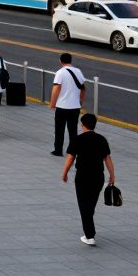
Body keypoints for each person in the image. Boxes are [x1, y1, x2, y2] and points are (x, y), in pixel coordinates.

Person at [62, 113, 116, 246]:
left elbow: (71, 157)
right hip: (98, 177)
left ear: (82, 125)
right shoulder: (101, 139)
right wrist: (112, 175)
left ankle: (90, 235)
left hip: (82, 176)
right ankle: (89, 226)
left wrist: (65, 172)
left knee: (83, 204)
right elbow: (107, 158)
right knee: (90, 204)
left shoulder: (78, 139)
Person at [50, 52, 86, 157]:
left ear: (60, 61)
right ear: (71, 60)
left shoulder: (60, 72)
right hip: (75, 107)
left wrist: (52, 103)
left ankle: (58, 150)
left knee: (59, 129)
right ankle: (73, 151)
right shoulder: (78, 71)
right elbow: (83, 88)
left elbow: (56, 88)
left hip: (62, 106)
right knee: (73, 130)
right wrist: (80, 101)